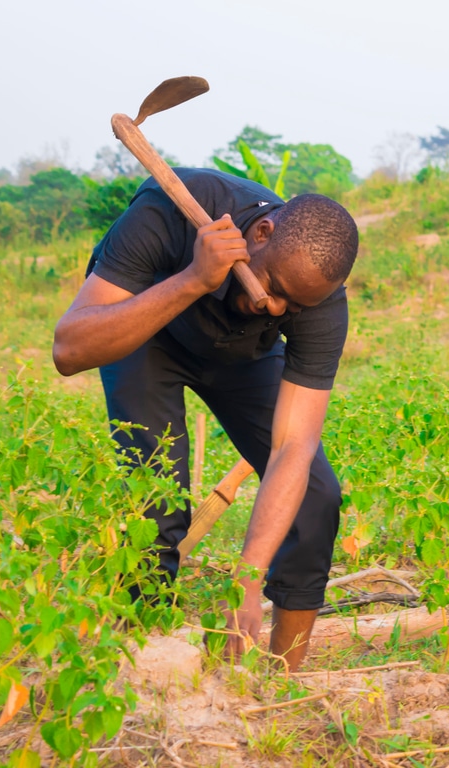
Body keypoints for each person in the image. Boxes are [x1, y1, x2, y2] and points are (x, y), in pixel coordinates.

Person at [52, 168, 359, 670]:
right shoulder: (170, 210)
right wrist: (195, 278)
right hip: (145, 330)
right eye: (273, 287)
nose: (275, 307)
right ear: (260, 235)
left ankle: (284, 678)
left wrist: (247, 580)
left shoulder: (316, 299)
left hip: (239, 355)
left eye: (293, 306)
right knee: (157, 496)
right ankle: (142, 660)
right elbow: (69, 350)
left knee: (317, 494)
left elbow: (292, 447)